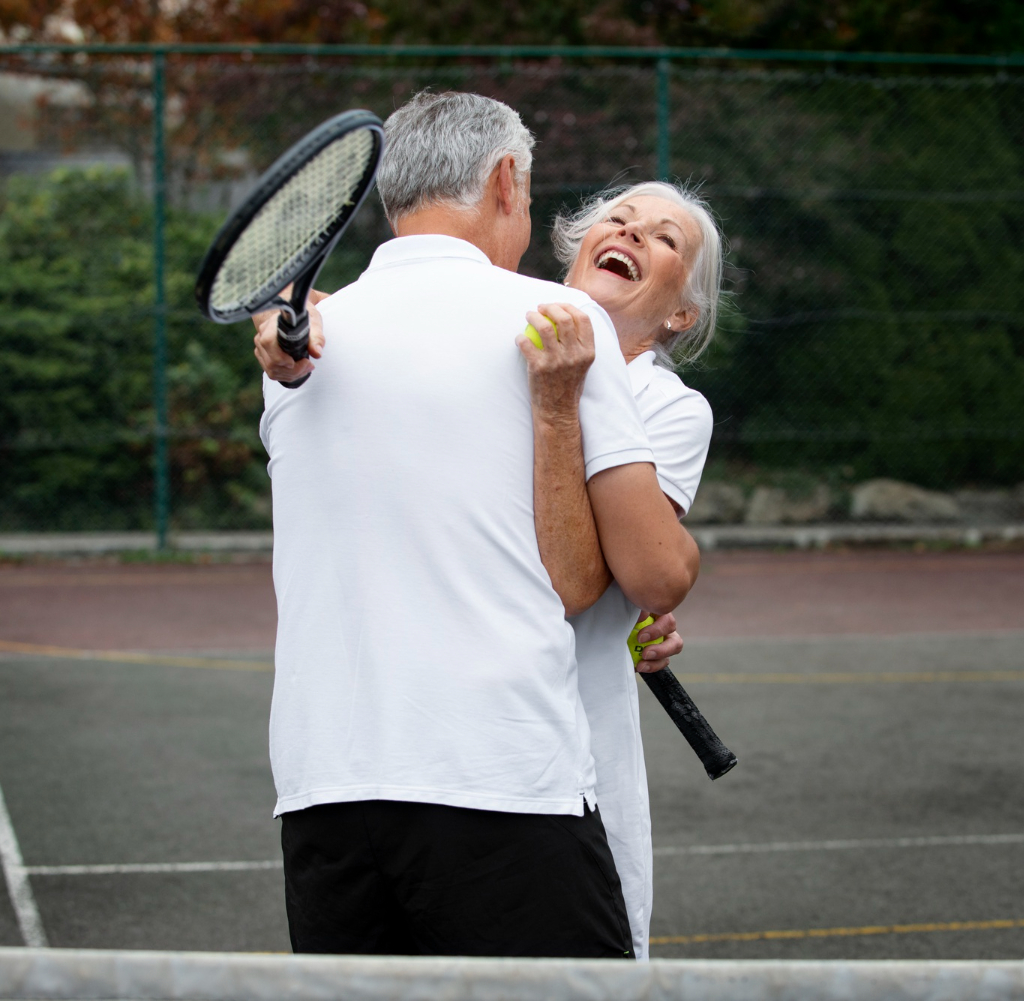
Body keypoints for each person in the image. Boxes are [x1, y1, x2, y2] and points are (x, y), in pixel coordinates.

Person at [256, 90, 699, 958]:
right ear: (506, 181)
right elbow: (595, 583)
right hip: (499, 778)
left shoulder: (301, 345)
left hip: (322, 790)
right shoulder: (560, 325)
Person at [521, 181, 724, 961]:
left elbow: (636, 571)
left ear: (680, 314)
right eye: (618, 218)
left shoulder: (668, 407)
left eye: (665, 237)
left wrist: (639, 603)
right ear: (575, 248)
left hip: (576, 750)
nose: (633, 233)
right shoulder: (488, 341)